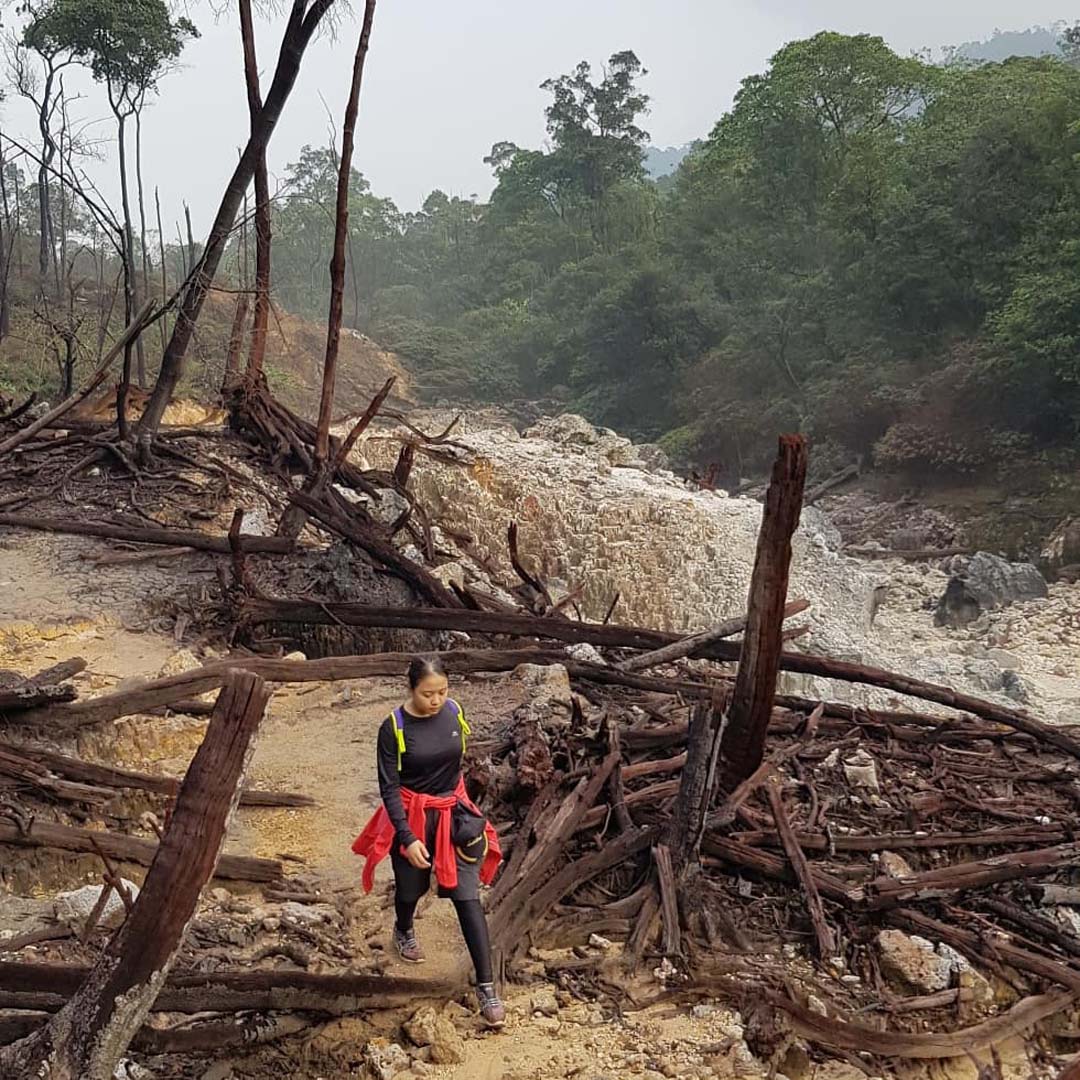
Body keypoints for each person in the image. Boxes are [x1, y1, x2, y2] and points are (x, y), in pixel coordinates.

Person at [352, 656, 506, 1026]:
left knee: (467, 897)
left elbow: (458, 767)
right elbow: (388, 789)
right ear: (411, 688)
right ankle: (403, 927)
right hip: (412, 816)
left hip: (453, 815)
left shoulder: (454, 711)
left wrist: (465, 811)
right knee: (411, 888)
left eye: (442, 692)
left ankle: (487, 988)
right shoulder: (394, 727)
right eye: (427, 694)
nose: (436, 700)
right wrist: (406, 839)